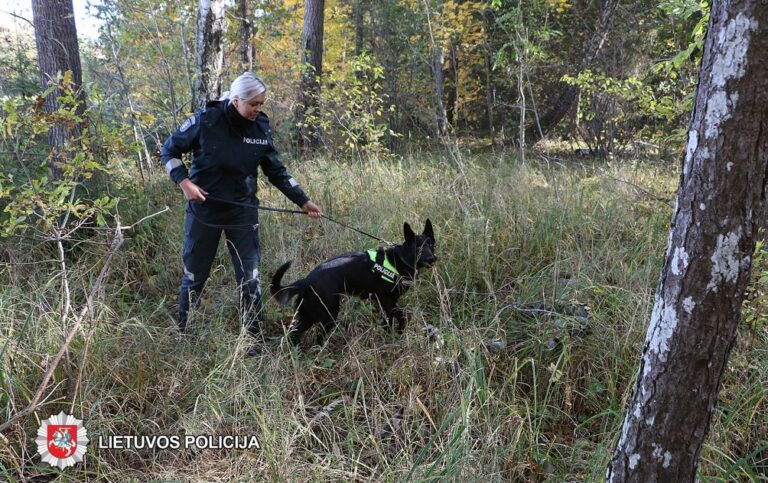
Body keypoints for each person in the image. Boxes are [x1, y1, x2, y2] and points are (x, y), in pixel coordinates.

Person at [161, 72, 323, 343]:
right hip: (205, 212)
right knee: (194, 277)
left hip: (243, 211)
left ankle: (253, 339)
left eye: (262, 104)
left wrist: (303, 200)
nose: (258, 109)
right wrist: (185, 183)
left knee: (250, 278)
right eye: (253, 104)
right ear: (236, 100)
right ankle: (184, 334)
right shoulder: (206, 120)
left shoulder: (261, 127)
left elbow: (277, 170)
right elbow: (168, 151)